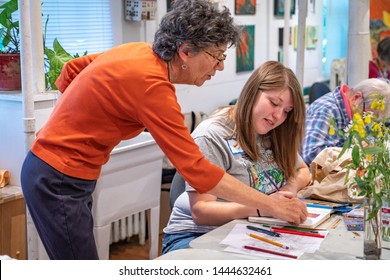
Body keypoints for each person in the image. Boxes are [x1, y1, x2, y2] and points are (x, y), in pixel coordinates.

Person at [20, 0, 308, 260]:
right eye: (216, 56)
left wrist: (71, 122)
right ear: (185, 52)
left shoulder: (138, 53)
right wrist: (271, 206)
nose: (219, 67)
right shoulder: (153, 87)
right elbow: (197, 170)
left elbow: (71, 69)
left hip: (60, 171)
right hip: (58, 177)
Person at [162, 61, 311, 254]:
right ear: (252, 92)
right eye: (274, 103)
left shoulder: (273, 132)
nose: (277, 116)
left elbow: (302, 170)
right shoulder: (212, 135)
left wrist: (284, 195)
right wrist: (267, 207)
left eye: (286, 111)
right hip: (197, 236)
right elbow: (202, 211)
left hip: (249, 230)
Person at [302, 78, 390, 166]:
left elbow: (370, 140)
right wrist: (354, 154)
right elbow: (311, 155)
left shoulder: (359, 110)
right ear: (356, 97)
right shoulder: (326, 110)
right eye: (367, 117)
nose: (367, 123)